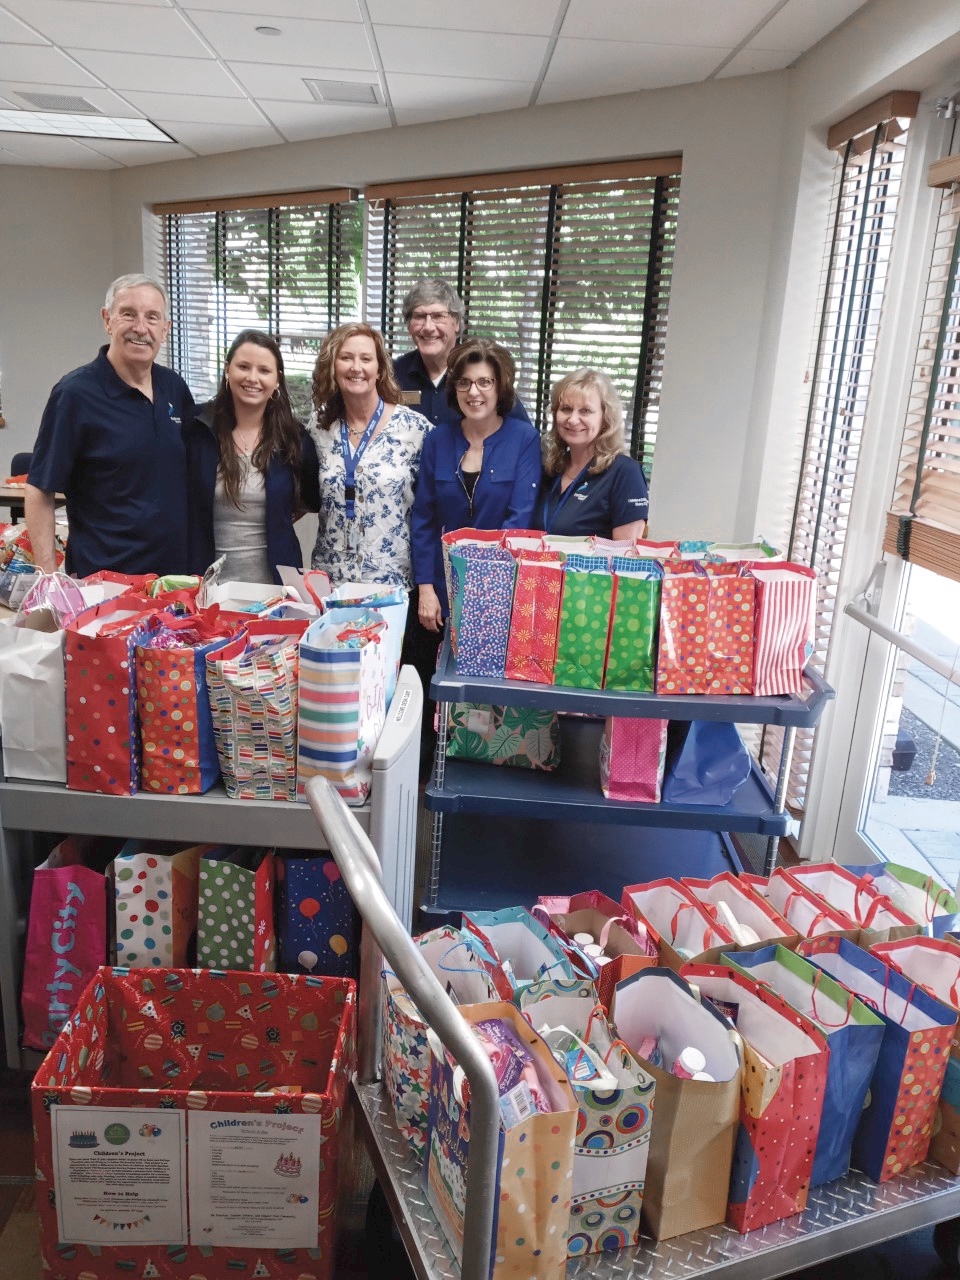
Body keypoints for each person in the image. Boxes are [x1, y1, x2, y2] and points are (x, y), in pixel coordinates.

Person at [26, 273, 195, 578]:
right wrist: (49, 579)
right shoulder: (75, 394)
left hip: (173, 580)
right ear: (107, 320)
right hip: (103, 582)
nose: (140, 328)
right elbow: (40, 489)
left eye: (152, 317)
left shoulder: (174, 387)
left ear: (165, 329)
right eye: (128, 314)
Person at [411, 337, 542, 634]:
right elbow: (424, 520)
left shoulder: (524, 438)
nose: (474, 392)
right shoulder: (437, 440)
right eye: (464, 383)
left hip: (501, 586)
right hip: (442, 587)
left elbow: (519, 519)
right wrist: (426, 588)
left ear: (501, 387)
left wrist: (486, 590)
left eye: (485, 382)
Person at [184, 330, 320, 584]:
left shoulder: (294, 438)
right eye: (243, 367)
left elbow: (312, 498)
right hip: (207, 586)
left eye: (264, 370)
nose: (252, 378)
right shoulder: (197, 429)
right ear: (227, 371)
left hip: (275, 589)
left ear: (277, 380)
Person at [308, 322, 430, 589]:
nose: (356, 367)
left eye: (366, 359)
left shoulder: (415, 429)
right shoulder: (318, 427)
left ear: (379, 369)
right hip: (331, 582)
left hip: (391, 583)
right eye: (346, 358)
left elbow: (431, 513)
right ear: (333, 367)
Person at [393, 277, 533, 428]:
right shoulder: (392, 375)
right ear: (408, 325)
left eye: (438, 316)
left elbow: (522, 436)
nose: (428, 327)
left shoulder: (484, 371)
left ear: (457, 323)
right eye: (419, 316)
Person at [534, 368, 649, 539]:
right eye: (566, 409)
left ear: (605, 418)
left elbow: (626, 557)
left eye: (585, 411)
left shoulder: (624, 472)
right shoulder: (550, 468)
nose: (573, 420)